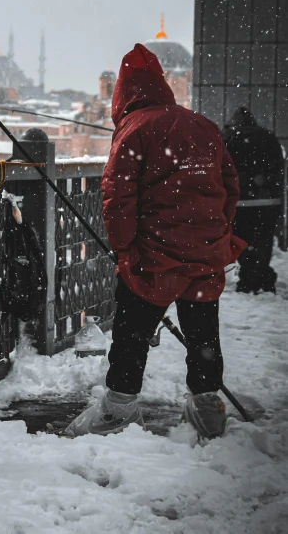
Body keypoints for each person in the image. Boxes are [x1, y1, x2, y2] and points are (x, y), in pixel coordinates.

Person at [66, 44, 246, 440]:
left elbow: (118, 196)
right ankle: (207, 406)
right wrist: (215, 234)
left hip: (153, 257)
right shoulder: (202, 125)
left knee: (131, 335)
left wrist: (124, 246)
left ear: (123, 93)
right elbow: (230, 186)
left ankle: (118, 409)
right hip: (204, 255)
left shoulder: (135, 129)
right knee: (203, 335)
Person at [222, 107, 284, 295]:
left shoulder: (228, 137)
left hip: (239, 202)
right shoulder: (269, 137)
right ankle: (260, 275)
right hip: (268, 201)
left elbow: (221, 168)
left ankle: (251, 277)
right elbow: (279, 170)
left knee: (241, 241)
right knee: (263, 242)